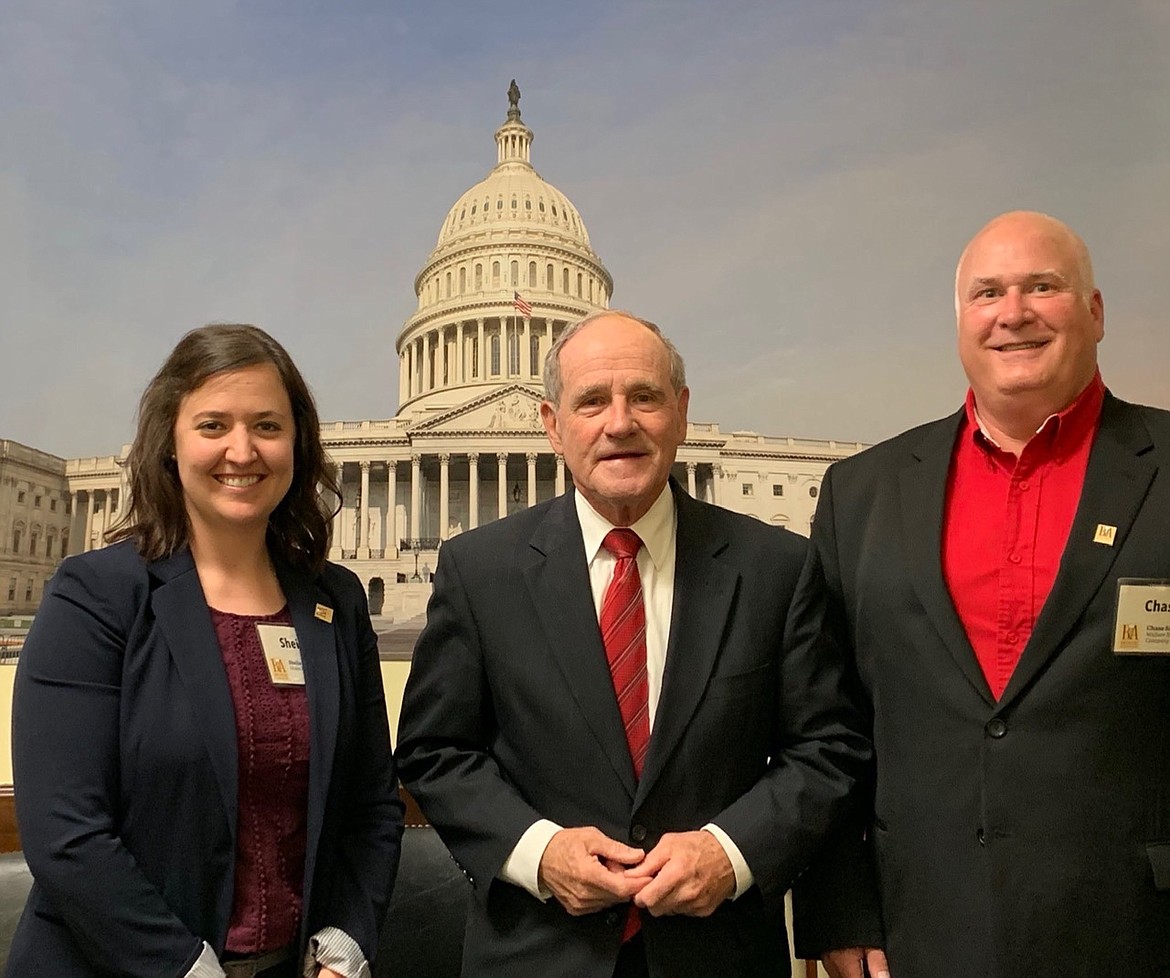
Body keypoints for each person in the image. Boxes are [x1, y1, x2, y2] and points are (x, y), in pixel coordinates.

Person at [396, 311, 869, 977]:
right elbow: (434, 752)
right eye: (592, 400)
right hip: (535, 952)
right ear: (552, 426)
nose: (620, 423)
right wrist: (540, 852)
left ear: (680, 414)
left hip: (719, 954)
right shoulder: (480, 572)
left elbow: (827, 749)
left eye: (643, 397)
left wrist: (730, 852)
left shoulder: (776, 569)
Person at [791, 212, 1170, 977]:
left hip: (1139, 928)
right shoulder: (860, 493)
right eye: (987, 292)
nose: (1013, 312)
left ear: (1094, 314)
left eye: (1043, 286)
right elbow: (830, 723)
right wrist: (840, 907)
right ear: (961, 321)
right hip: (921, 932)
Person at [10, 325, 403, 977]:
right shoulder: (97, 595)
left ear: (298, 443)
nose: (241, 450)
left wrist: (347, 940)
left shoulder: (337, 601)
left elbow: (371, 801)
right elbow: (67, 832)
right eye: (214, 425)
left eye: (268, 426)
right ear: (171, 442)